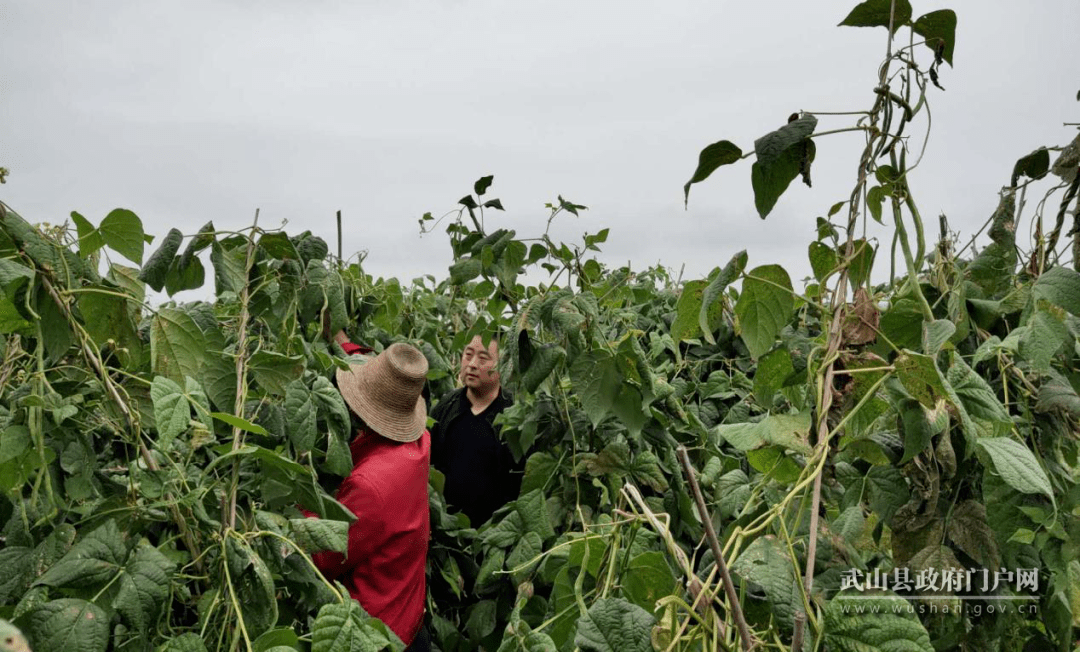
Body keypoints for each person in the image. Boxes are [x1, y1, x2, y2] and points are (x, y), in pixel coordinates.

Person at [307, 340, 432, 651]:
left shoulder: (371, 485)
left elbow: (325, 555)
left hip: (377, 634)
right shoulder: (421, 441)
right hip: (407, 614)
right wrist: (343, 342)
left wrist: (299, 504)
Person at [430, 333, 523, 527]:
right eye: (468, 355)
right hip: (444, 531)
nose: (472, 364)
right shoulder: (446, 406)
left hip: (492, 535)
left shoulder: (514, 415)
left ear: (503, 365)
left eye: (483, 359)